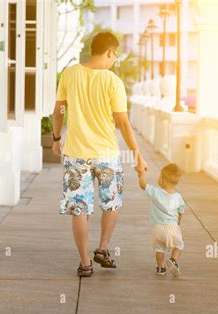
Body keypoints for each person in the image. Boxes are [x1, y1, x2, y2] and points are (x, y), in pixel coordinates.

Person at [51, 32, 148, 277]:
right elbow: (124, 124)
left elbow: (58, 111)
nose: (115, 60)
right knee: (111, 203)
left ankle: (85, 263)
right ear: (108, 52)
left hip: (76, 154)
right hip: (106, 154)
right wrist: (138, 155)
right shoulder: (113, 82)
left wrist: (55, 138)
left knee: (79, 209)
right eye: (114, 55)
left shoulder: (70, 74)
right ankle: (103, 248)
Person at [138, 163, 185, 277]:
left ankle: (161, 268)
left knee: (159, 248)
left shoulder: (155, 192)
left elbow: (143, 184)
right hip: (173, 227)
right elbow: (181, 211)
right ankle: (173, 260)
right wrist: (179, 221)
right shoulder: (178, 197)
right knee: (179, 245)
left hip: (158, 228)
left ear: (163, 180)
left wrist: (142, 172)